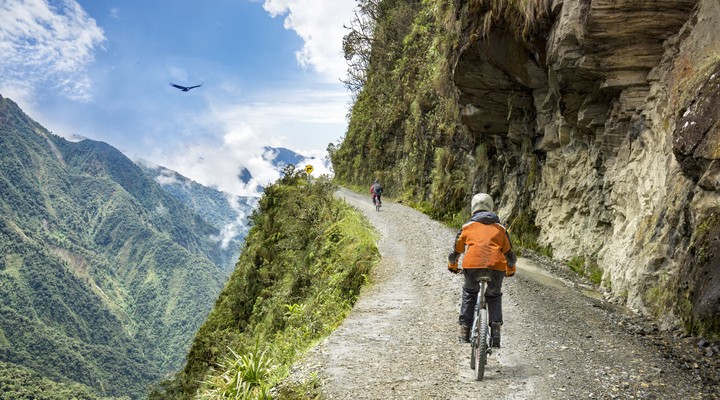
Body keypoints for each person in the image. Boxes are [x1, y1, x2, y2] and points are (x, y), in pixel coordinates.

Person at [447, 192, 516, 347]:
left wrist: (452, 265)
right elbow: (510, 255)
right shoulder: (500, 229)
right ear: (491, 208)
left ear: (473, 208)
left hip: (472, 266)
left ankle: (464, 330)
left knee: (470, 293)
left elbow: (455, 252)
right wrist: (510, 269)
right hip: (496, 267)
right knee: (494, 295)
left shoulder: (467, 227)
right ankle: (496, 331)